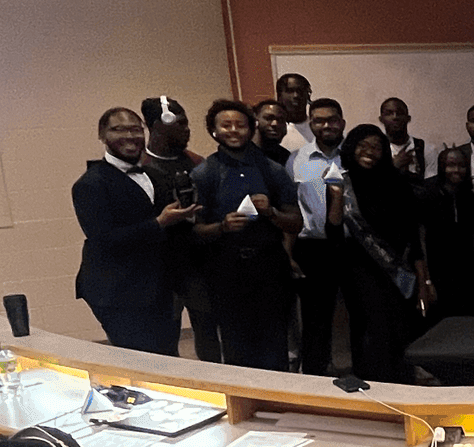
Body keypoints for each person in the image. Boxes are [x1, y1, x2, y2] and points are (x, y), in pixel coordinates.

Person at [72, 105, 199, 354]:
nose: (129, 136)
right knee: (139, 361)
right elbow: (104, 241)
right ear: (102, 136)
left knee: (169, 358)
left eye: (135, 129)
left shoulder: (155, 175)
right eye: (118, 129)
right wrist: (159, 223)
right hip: (118, 291)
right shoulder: (90, 184)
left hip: (160, 287)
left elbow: (172, 231)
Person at [192, 98, 302, 370]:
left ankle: (280, 400)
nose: (233, 130)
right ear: (213, 131)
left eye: (240, 125)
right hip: (226, 270)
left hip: (270, 267)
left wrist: (272, 213)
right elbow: (194, 232)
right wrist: (221, 227)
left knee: (275, 341)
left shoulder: (273, 170)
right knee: (236, 344)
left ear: (252, 128)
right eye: (225, 125)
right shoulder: (204, 173)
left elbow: (296, 222)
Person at [326, 123, 431, 380]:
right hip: (359, 273)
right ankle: (372, 391)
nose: (369, 151)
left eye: (376, 146)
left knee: (399, 332)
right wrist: (337, 197)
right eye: (363, 145)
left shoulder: (398, 183)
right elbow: (333, 232)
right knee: (370, 332)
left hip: (397, 272)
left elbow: (413, 236)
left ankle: (402, 389)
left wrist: (422, 279)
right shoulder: (342, 183)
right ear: (351, 148)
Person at [139, 94, 220, 361]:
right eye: (181, 124)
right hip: (159, 267)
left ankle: (215, 386)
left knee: (208, 334)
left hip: (199, 264)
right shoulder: (138, 168)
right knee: (165, 339)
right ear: (159, 125)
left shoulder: (199, 164)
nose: (187, 130)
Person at [287, 96, 348, 374]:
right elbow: (289, 208)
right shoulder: (297, 160)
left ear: (342, 123)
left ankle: (362, 370)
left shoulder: (356, 154)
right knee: (315, 319)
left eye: (332, 120)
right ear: (310, 124)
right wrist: (288, 253)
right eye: (319, 120)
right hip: (313, 249)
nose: (326, 125)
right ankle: (316, 376)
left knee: (358, 313)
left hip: (354, 247)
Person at [419, 147, 474, 320]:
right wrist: (427, 281)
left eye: (461, 165)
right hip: (438, 273)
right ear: (441, 167)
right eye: (450, 165)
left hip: (467, 274)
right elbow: (421, 240)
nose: (456, 170)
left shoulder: (471, 198)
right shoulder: (428, 196)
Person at [379, 97, 438, 182]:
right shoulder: (377, 150)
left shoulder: (426, 149)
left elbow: (430, 187)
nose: (395, 117)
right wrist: (395, 166)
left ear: (408, 118)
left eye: (400, 113)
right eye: (389, 113)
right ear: (381, 119)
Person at [275, 73, 313, 155]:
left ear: (308, 95)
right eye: (290, 91)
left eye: (300, 91)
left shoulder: (317, 128)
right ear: (279, 96)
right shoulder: (273, 130)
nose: (296, 96)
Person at [252, 98, 290, 164]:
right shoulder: (243, 154)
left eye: (280, 119)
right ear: (256, 120)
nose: (275, 123)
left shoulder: (286, 157)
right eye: (269, 118)